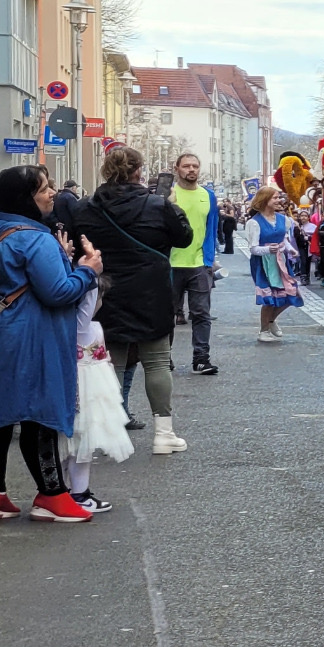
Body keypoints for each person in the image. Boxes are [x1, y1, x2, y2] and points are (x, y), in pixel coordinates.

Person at [0, 165, 99, 524]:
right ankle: (52, 496)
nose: (50, 193)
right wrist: (88, 269)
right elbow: (58, 292)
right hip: (31, 338)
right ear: (25, 197)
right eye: (44, 188)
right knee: (39, 413)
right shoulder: (34, 237)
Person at [77, 143, 193, 456]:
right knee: (156, 361)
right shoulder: (157, 205)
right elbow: (185, 237)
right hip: (151, 291)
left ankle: (106, 432)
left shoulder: (86, 207)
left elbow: (77, 244)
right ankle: (164, 435)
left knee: (109, 361)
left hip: (105, 291)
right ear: (139, 171)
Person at [61, 256, 129, 515]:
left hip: (83, 386)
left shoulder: (75, 326)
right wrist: (89, 275)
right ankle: (79, 494)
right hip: (88, 390)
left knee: (71, 446)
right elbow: (88, 301)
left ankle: (68, 491)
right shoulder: (83, 327)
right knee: (82, 446)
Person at [165, 151, 221, 375]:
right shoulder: (169, 194)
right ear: (177, 168)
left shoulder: (208, 196)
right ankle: (163, 358)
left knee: (201, 313)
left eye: (195, 166)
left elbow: (211, 228)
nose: (191, 170)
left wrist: (210, 258)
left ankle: (201, 358)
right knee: (166, 314)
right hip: (170, 263)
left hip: (199, 263)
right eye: (186, 166)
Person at [239, 185, 303, 341]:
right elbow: (253, 249)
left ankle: (271, 321)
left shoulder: (284, 220)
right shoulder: (254, 223)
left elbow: (284, 239)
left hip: (280, 262)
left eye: (278, 197)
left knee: (292, 292)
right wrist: (268, 250)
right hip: (263, 264)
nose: (279, 200)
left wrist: (290, 249)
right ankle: (263, 331)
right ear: (265, 200)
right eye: (275, 197)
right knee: (269, 298)